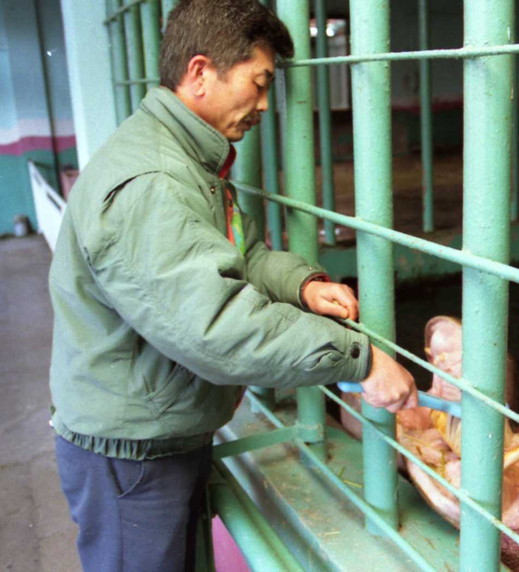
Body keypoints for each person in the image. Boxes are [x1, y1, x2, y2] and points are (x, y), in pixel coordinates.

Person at [48, 1, 417, 570]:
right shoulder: (156, 183)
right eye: (259, 82)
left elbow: (233, 258)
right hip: (134, 454)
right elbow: (218, 328)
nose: (267, 103)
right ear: (200, 72)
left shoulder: (184, 159)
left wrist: (300, 286)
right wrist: (361, 360)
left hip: (156, 431)